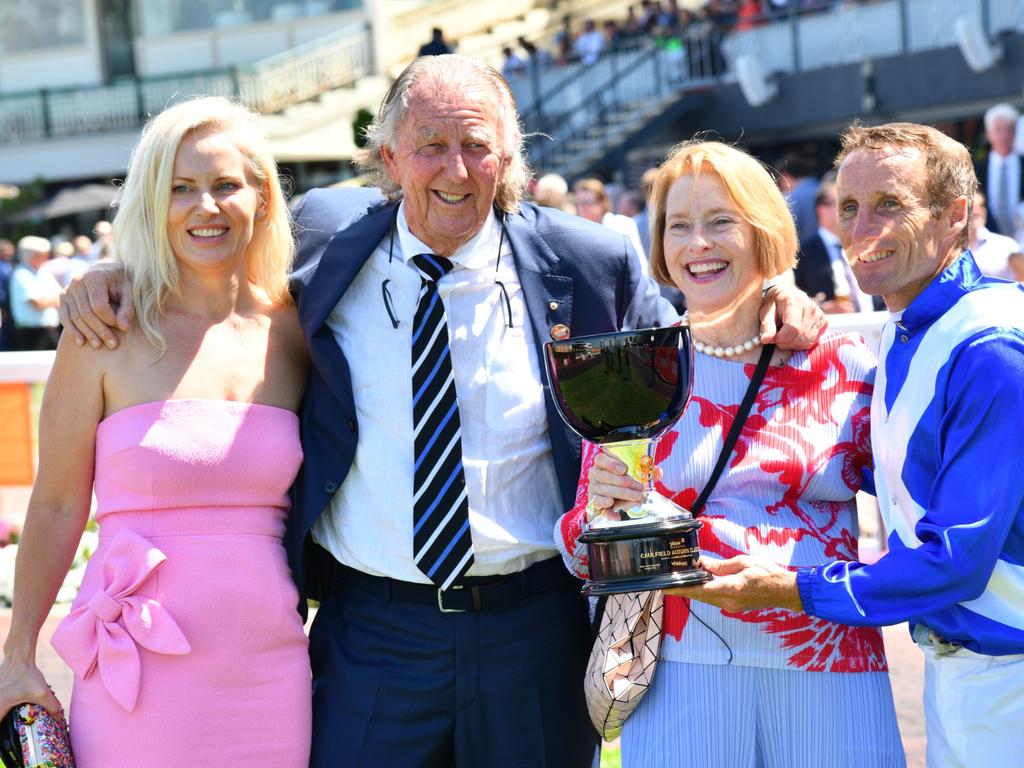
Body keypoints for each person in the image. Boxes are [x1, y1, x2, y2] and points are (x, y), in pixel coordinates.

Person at [61, 55, 824, 768]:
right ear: (389, 159)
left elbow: (686, 347)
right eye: (429, 145)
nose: (455, 170)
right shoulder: (325, 241)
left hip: (534, 629)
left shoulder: (589, 262)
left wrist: (775, 297)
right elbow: (216, 245)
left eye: (477, 146)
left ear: (509, 158)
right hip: (371, 636)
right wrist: (110, 274)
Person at [668, 122, 1024, 767]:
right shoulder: (910, 327)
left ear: (955, 217)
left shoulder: (991, 348)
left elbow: (955, 561)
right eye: (851, 207)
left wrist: (794, 589)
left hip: (1006, 675)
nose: (864, 228)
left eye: (891, 204)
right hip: (967, 675)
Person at [563, 140, 904, 768]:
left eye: (721, 221)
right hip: (682, 671)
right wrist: (596, 518)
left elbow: (912, 515)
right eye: (679, 225)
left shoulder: (846, 366)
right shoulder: (633, 370)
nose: (698, 243)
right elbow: (583, 548)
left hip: (828, 660)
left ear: (765, 232)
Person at [0, 96, 312, 767]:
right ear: (150, 202)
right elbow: (55, 504)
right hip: (138, 672)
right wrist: (17, 654)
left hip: (273, 669)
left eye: (226, 185)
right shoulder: (103, 329)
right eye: (181, 189)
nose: (205, 207)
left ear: (260, 198)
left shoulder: (296, 330)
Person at [794, 177, 874, 312]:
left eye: (853, 205)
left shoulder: (866, 245)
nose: (852, 211)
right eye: (844, 205)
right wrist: (822, 308)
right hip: (833, 329)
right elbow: (792, 298)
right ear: (821, 209)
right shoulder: (803, 252)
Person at [573, 177, 649, 273]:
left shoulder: (622, 223)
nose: (582, 207)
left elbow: (639, 263)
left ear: (601, 202)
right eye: (579, 203)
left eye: (587, 202)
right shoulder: (577, 232)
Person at [975, 103, 1022, 237]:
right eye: (998, 130)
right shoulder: (977, 169)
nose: (1004, 135)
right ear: (989, 134)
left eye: (1009, 129)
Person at [8, 235, 61, 350]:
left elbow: (60, 296)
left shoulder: (43, 271)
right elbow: (39, 303)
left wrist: (53, 299)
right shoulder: (21, 274)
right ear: (33, 256)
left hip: (48, 329)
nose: (47, 258)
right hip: (31, 332)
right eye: (43, 255)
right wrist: (55, 299)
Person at [969, 190, 1018, 280]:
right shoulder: (949, 247)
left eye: (981, 205)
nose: (977, 211)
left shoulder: (1007, 246)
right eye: (971, 206)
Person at [0, 238, 14, 351]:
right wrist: (3, 309)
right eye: (5, 250)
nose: (8, 252)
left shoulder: (8, 265)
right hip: (5, 308)